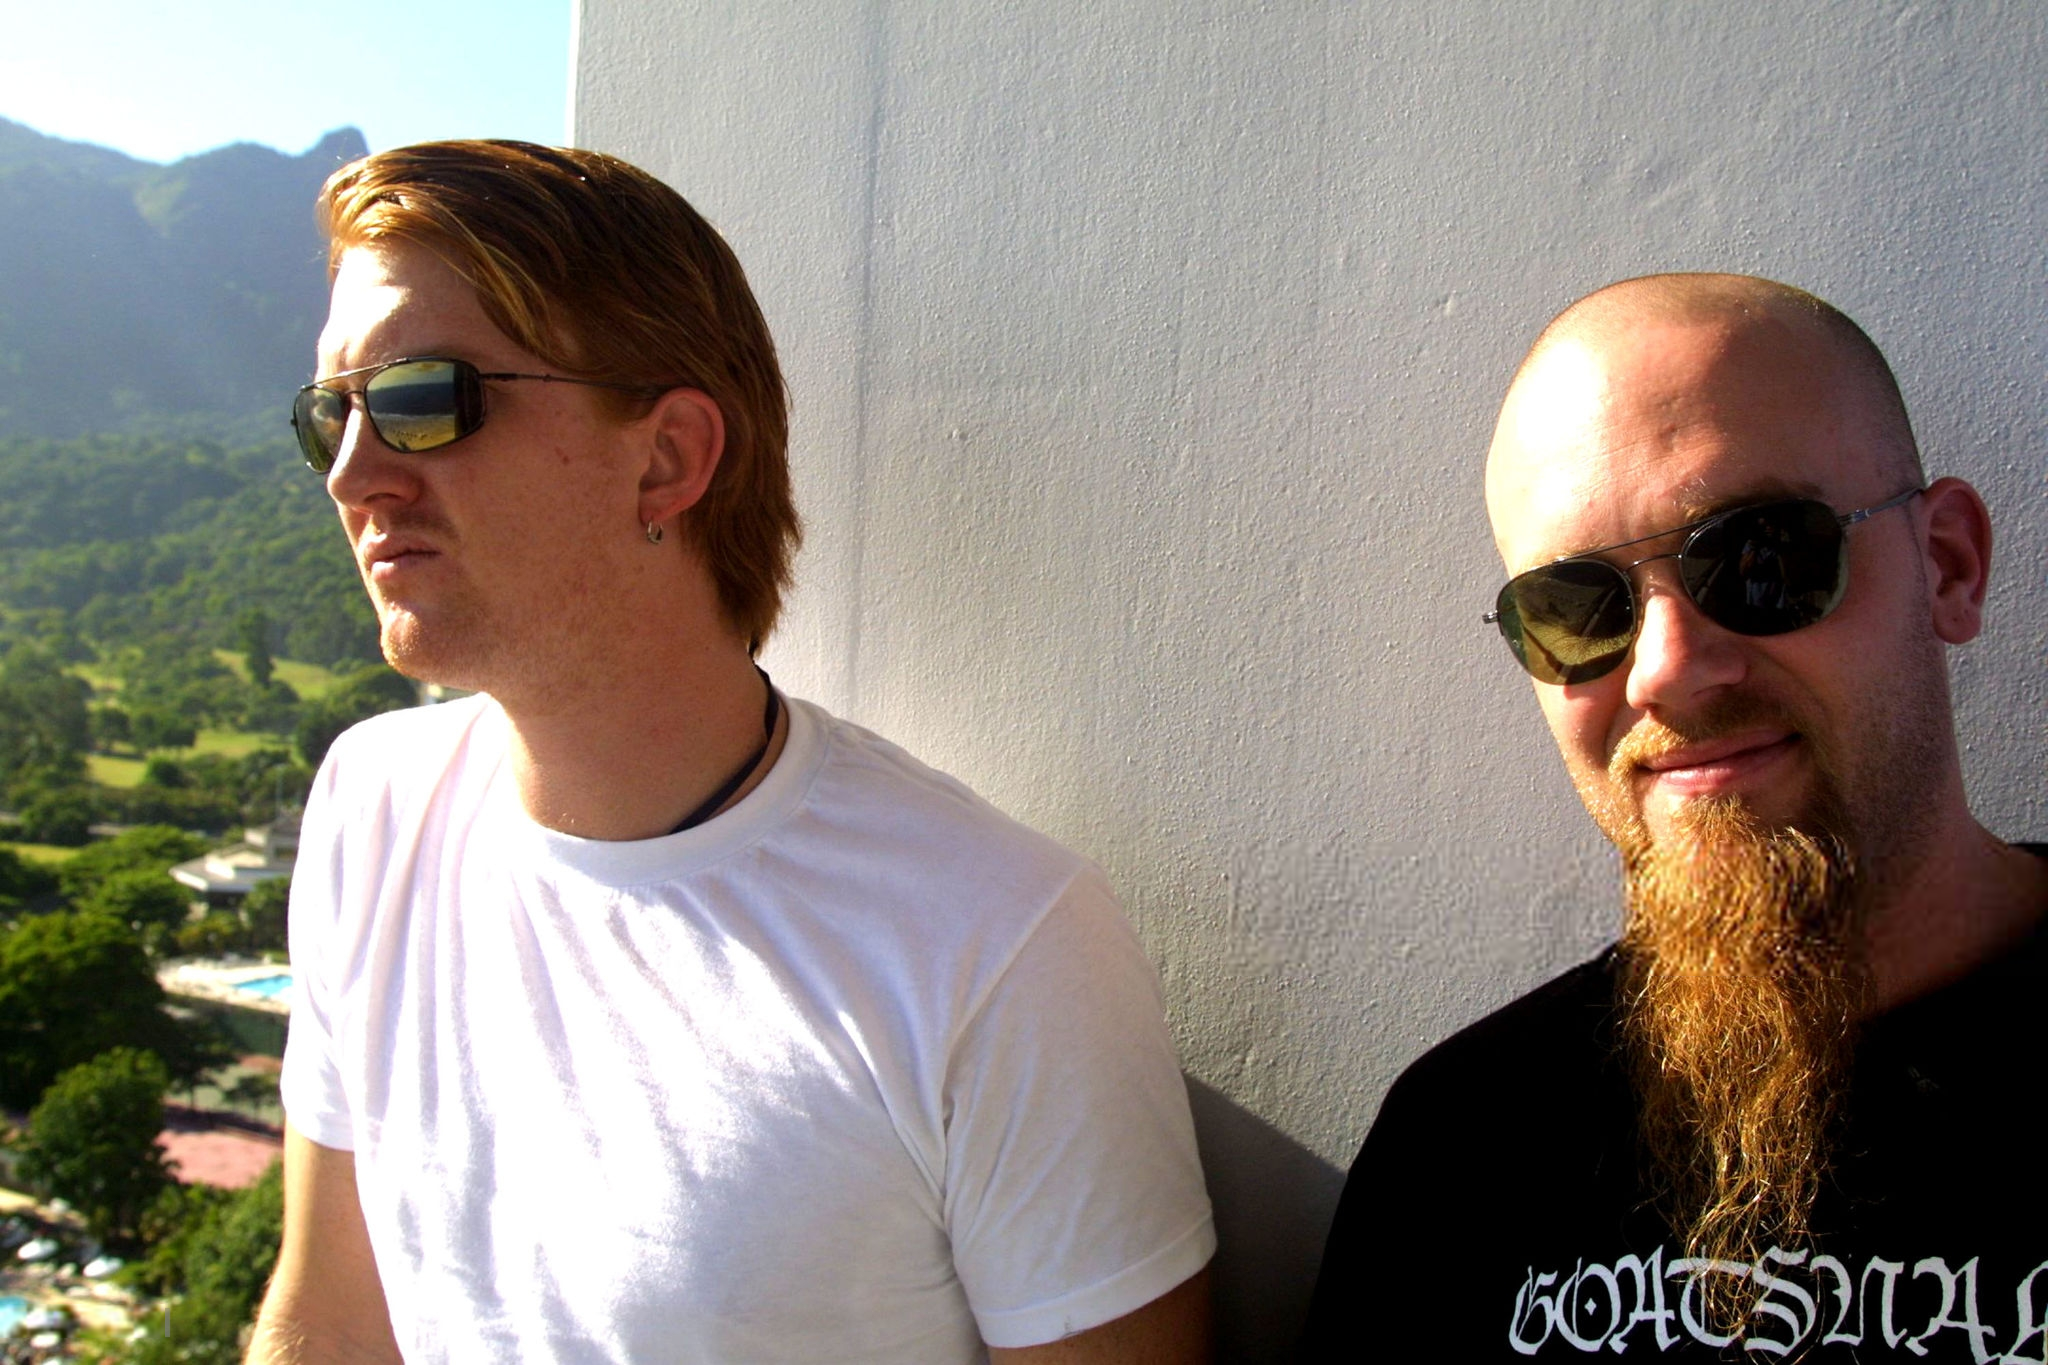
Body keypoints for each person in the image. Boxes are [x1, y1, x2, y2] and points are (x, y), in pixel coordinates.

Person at [249, 141, 1214, 1364]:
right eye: (330, 413)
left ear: (666, 459)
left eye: (418, 400)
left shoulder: (996, 945)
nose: (353, 475)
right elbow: (331, 1317)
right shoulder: (372, 809)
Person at [1301, 273, 2046, 1360]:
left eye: (1759, 556)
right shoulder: (1462, 1146)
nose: (1666, 670)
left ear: (1948, 567)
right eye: (1574, 605)